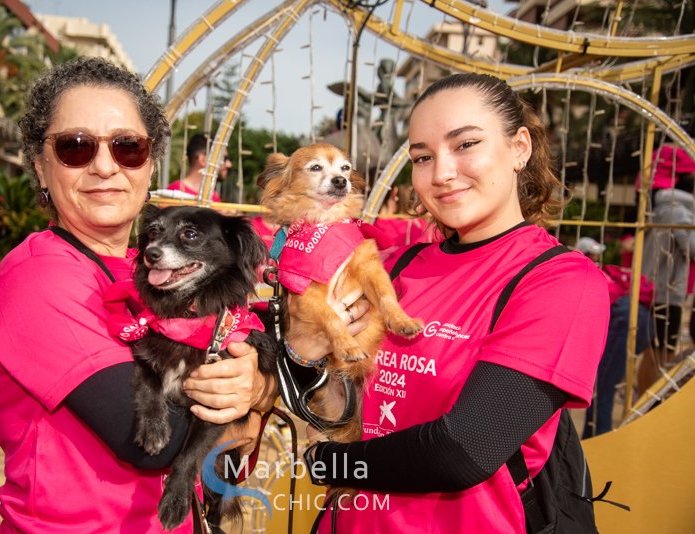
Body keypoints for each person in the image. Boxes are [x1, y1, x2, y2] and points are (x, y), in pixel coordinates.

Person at [286, 73, 610, 532]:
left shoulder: (560, 282)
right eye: (423, 156)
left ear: (519, 148)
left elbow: (464, 449)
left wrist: (327, 462)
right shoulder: (393, 267)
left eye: (465, 145)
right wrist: (299, 351)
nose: (441, 173)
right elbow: (302, 370)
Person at [0, 57, 277, 532]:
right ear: (39, 165)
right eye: (75, 147)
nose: (104, 166)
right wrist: (247, 409)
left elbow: (245, 358)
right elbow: (147, 439)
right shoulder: (39, 278)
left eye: (127, 147)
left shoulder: (149, 272)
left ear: (150, 161)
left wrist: (258, 386)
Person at [574, 237, 653, 437]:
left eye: (597, 253)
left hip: (624, 324)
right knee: (606, 384)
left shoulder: (592, 273)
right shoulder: (594, 273)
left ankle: (598, 436)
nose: (596, 257)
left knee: (603, 385)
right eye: (592, 253)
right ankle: (597, 434)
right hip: (633, 323)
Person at [639, 165, 695, 394]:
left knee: (655, 349)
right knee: (663, 351)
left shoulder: (664, 208)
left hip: (655, 288)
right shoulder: (680, 213)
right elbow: (691, 248)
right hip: (666, 292)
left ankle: (643, 397)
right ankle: (648, 400)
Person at [166, 133, 228, 202]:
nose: (228, 164)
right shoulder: (174, 192)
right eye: (223, 159)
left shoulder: (214, 196)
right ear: (203, 159)